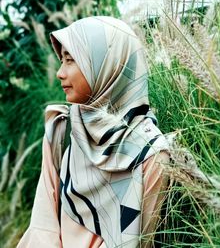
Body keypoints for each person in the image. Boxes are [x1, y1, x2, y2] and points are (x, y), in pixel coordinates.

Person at [17, 16, 170, 248]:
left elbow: (141, 241)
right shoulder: (62, 130)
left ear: (107, 66)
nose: (60, 72)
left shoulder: (151, 154)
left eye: (71, 60)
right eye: (61, 60)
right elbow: (43, 224)